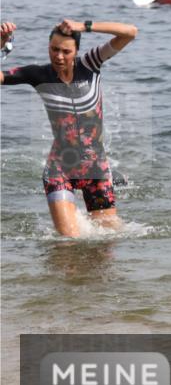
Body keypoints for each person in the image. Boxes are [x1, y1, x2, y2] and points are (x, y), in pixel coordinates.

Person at [1, 19, 138, 237]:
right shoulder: (38, 75)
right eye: (54, 50)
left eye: (66, 51)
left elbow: (130, 32)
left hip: (96, 170)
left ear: (76, 51)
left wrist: (85, 26)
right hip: (60, 170)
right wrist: (1, 46)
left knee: (107, 244)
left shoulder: (90, 64)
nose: (59, 56)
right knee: (68, 241)